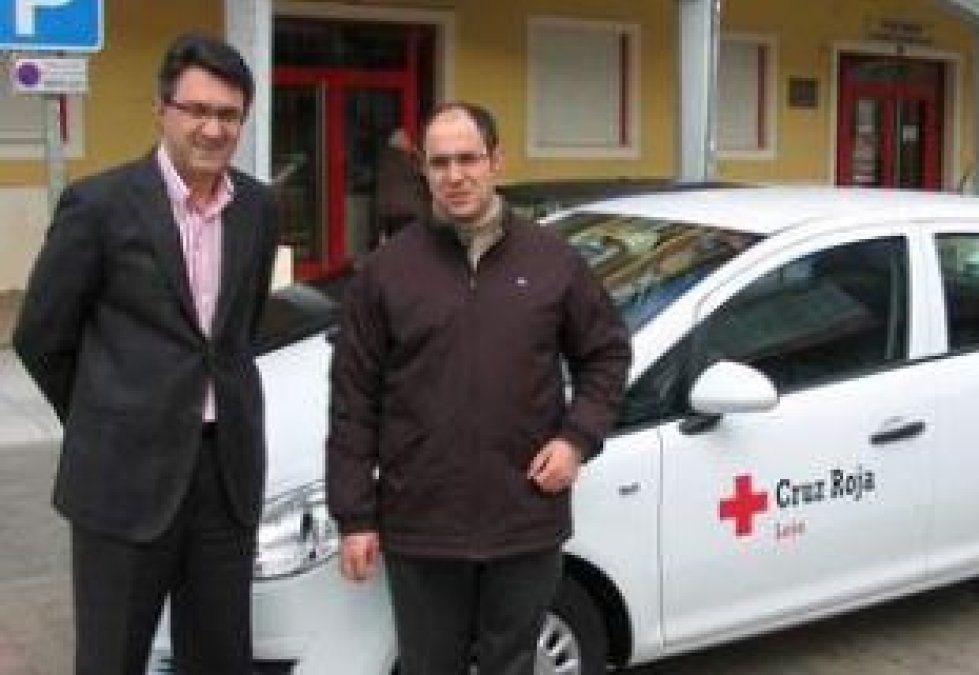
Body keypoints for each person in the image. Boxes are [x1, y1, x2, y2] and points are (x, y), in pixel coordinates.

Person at [326, 101, 631, 675]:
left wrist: (576, 439)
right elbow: (353, 400)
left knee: (511, 665)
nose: (455, 175)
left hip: (525, 516)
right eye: (440, 162)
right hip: (422, 522)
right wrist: (355, 517)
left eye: (468, 159)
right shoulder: (386, 272)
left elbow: (607, 354)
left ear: (496, 161)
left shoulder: (553, 261)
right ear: (423, 169)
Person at [13, 34, 279, 675]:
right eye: (198, 110)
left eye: (228, 115)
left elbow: (236, 332)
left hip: (225, 475)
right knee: (112, 658)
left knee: (221, 657)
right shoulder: (100, 205)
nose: (213, 128)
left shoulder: (259, 209)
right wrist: (107, 413)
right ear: (162, 111)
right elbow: (41, 334)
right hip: (121, 479)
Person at [372, 126, 430, 244]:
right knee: (409, 244)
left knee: (394, 244)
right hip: (406, 210)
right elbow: (425, 171)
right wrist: (417, 153)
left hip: (388, 210)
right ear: (401, 143)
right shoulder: (403, 159)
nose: (409, 142)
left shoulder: (385, 159)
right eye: (407, 140)